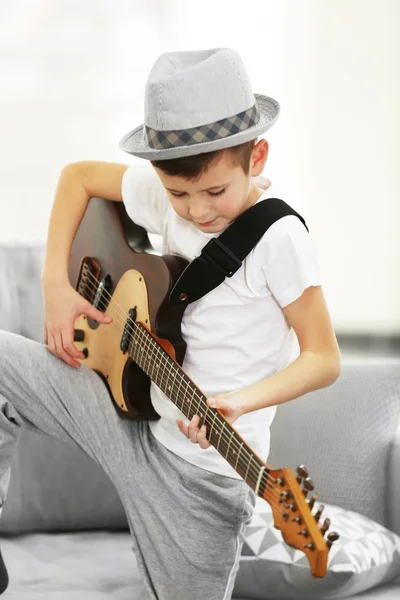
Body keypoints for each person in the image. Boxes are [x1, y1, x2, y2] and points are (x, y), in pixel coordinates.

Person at [0, 47, 341, 599]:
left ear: (257, 157)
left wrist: (241, 400)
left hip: (205, 483)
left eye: (214, 191)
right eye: (179, 193)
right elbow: (77, 177)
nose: (197, 211)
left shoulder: (281, 240)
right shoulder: (166, 200)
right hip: (131, 426)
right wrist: (55, 289)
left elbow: (324, 359)